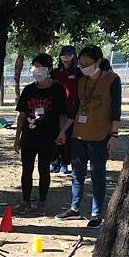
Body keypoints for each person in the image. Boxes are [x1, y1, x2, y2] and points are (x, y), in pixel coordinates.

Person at [55, 45, 122, 229]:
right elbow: (74, 110)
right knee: (77, 173)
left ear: (99, 61)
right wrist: (63, 131)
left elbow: (116, 110)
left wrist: (114, 135)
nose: (83, 67)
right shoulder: (81, 81)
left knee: (97, 175)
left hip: (100, 135)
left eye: (87, 64)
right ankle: (74, 209)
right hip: (79, 134)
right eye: (81, 64)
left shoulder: (112, 80)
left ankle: (96, 213)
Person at [14, 53, 67, 216]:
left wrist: (62, 133)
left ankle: (42, 203)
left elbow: (62, 115)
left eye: (40, 67)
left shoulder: (57, 89)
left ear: (49, 69)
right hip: (29, 137)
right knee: (26, 170)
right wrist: (17, 137)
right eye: (34, 66)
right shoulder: (29, 89)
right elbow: (22, 115)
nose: (36, 70)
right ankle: (25, 201)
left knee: (44, 170)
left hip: (47, 137)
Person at [50, 45, 83, 174]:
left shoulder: (79, 73)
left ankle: (65, 163)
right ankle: (54, 162)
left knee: (68, 139)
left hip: (72, 112)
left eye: (68, 58)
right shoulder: (55, 73)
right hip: (56, 111)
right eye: (64, 58)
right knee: (55, 136)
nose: (66, 60)